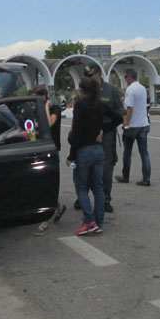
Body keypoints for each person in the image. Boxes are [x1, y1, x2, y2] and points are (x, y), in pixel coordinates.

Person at [75, 61, 125, 213]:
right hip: (88, 135)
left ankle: (105, 199)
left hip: (107, 134)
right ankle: (82, 196)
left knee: (106, 167)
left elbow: (120, 112)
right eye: (86, 76)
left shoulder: (110, 90)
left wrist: (106, 129)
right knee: (86, 165)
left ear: (98, 74)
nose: (89, 79)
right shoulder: (85, 90)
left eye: (90, 75)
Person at [67, 77, 106, 235]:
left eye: (79, 90)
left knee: (81, 186)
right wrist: (103, 130)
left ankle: (89, 221)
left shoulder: (80, 105)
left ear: (83, 91)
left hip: (83, 151)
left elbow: (76, 132)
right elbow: (118, 116)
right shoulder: (100, 104)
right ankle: (99, 221)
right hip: (98, 150)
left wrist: (71, 156)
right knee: (98, 187)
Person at [29, 85, 65, 235]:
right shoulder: (33, 110)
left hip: (51, 150)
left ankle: (44, 222)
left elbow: (49, 124)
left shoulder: (54, 108)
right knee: (39, 184)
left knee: (45, 184)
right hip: (37, 150)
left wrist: (45, 107)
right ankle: (58, 206)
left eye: (35, 99)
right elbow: (31, 131)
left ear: (43, 97)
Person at [115, 68, 151, 186]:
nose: (125, 80)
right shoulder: (142, 88)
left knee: (127, 152)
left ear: (130, 77)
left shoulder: (130, 89)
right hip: (144, 124)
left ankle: (125, 176)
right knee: (144, 152)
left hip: (133, 126)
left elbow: (129, 108)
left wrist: (126, 125)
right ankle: (146, 178)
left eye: (126, 78)